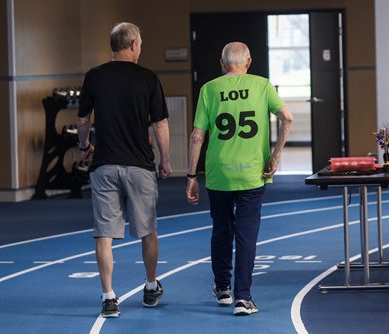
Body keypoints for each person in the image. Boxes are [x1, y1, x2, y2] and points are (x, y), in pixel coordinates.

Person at [186, 41, 293, 316]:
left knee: (221, 229)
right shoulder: (262, 85)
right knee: (246, 235)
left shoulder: (209, 89)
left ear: (222, 64)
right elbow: (287, 118)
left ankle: (222, 287)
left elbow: (197, 136)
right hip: (252, 172)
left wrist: (190, 175)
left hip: (219, 173)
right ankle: (243, 298)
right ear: (248, 61)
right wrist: (277, 154)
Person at [77, 22, 172, 318]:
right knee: (148, 231)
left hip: (104, 164)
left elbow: (83, 120)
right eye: (140, 43)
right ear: (132, 45)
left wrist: (84, 147)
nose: (141, 47)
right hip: (140, 166)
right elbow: (159, 124)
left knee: (104, 234)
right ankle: (149, 285)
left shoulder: (94, 77)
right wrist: (166, 159)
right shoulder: (148, 78)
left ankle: (108, 296)